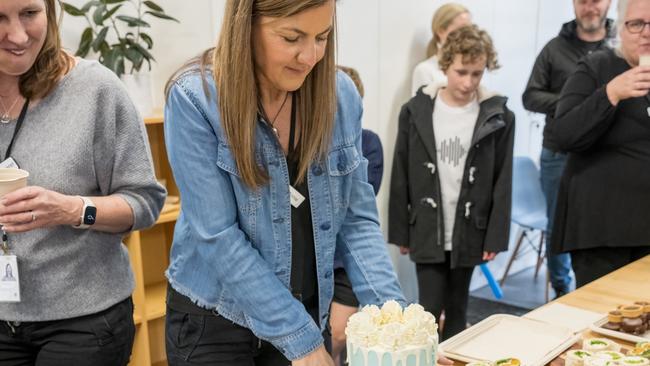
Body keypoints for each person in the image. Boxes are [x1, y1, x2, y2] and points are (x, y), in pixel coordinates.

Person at [162, 1, 406, 365]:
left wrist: (397, 324)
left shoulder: (340, 96)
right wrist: (302, 341)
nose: (310, 57)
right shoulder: (197, 98)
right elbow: (216, 235)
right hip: (215, 322)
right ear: (246, 24)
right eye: (292, 37)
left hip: (305, 311)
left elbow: (357, 221)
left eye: (322, 37)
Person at [0, 0, 166, 364]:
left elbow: (145, 203)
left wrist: (72, 209)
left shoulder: (96, 90)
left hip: (85, 323)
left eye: (30, 13)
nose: (17, 35)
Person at [390, 25, 514, 341]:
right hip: (426, 224)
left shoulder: (498, 115)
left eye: (477, 73)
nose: (468, 82)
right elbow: (401, 170)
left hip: (471, 228)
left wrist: (494, 236)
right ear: (445, 65)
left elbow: (503, 178)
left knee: (459, 308)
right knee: (427, 310)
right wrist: (401, 229)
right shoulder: (416, 110)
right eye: (461, 72)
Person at [549, 0, 650, 288]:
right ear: (620, 28)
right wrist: (611, 93)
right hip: (602, 231)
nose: (646, 32)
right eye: (636, 24)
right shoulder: (597, 66)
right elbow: (563, 135)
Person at [522, 0, 613, 299]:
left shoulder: (620, 49)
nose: (590, 8)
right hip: (558, 154)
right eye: (583, 1)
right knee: (557, 224)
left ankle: (599, 294)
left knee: (602, 224)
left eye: (596, 0)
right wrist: (572, 103)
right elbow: (530, 96)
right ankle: (563, 291)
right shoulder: (553, 49)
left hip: (605, 155)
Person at [329, 65, 383, 365]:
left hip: (345, 260)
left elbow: (357, 207)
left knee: (338, 334)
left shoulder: (370, 143)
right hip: (314, 260)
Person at [411, 3, 471, 96]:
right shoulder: (425, 70)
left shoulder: (472, 68)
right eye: (462, 29)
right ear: (441, 31)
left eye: (470, 29)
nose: (468, 35)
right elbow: (420, 109)